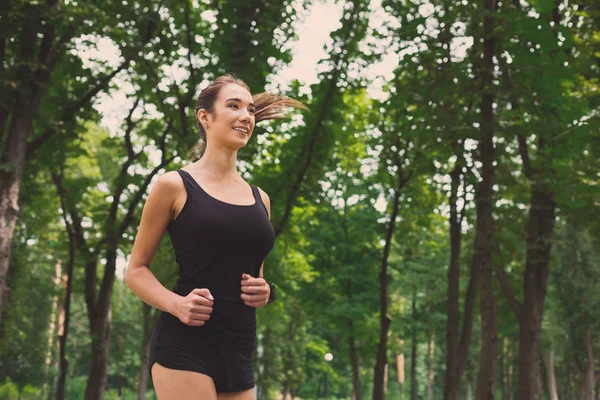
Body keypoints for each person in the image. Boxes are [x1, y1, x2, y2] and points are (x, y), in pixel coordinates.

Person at [125, 74, 307, 400]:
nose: (245, 116)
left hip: (239, 346)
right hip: (186, 343)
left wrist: (265, 291)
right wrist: (176, 304)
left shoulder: (259, 199)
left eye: (250, 110)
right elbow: (136, 270)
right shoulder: (174, 186)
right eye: (233, 106)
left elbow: (254, 275)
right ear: (205, 117)